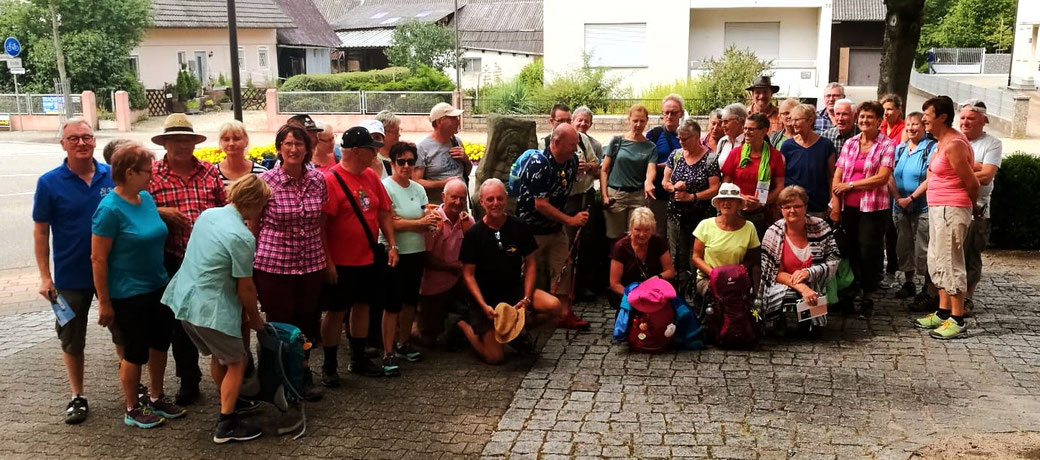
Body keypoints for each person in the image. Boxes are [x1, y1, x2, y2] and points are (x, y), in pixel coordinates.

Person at [162, 175, 270, 443]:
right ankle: (227, 424)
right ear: (254, 202)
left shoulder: (209, 215)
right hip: (211, 309)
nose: (263, 211)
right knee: (236, 361)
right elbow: (245, 287)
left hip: (186, 301)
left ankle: (229, 403)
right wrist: (256, 320)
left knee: (220, 356)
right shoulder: (242, 237)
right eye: (263, 205)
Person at [92, 143, 184, 429]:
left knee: (160, 344)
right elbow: (98, 258)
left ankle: (156, 397)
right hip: (128, 293)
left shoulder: (144, 198)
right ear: (130, 172)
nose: (152, 176)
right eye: (147, 171)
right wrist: (105, 302)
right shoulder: (108, 210)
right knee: (134, 352)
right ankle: (132, 407)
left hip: (158, 284)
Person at [33, 118, 116, 424]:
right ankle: (77, 396)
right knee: (71, 337)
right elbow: (41, 232)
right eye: (74, 139)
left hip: (111, 272)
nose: (81, 143)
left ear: (94, 141)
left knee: (122, 332)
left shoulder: (112, 176)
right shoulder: (49, 183)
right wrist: (45, 276)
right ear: (63, 144)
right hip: (69, 277)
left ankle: (133, 390)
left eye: (87, 137)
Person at [149, 114, 226, 406]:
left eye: (186, 140)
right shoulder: (153, 174)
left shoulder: (208, 172)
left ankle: (226, 373)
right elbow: (136, 209)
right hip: (172, 257)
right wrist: (161, 212)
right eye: (175, 140)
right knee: (179, 322)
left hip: (208, 258)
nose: (181, 145)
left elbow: (225, 208)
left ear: (194, 143)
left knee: (212, 316)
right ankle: (188, 379)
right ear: (165, 143)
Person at [253, 124, 327, 398]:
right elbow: (254, 225)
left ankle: (301, 375)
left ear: (308, 149)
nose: (294, 149)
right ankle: (274, 380)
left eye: (299, 144)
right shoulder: (266, 182)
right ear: (279, 148)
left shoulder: (318, 180)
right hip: (274, 266)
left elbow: (321, 221)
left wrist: (326, 260)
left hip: (310, 264)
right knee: (278, 325)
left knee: (307, 323)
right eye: (288, 144)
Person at [320, 126, 396, 384]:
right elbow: (320, 226)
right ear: (354, 151)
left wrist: (392, 243)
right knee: (336, 311)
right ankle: (329, 365)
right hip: (341, 261)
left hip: (367, 257)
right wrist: (328, 261)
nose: (375, 154)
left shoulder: (371, 177)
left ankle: (358, 358)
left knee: (362, 307)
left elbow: (384, 210)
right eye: (370, 149)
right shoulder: (331, 180)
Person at [457, 179, 562, 364]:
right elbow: (468, 275)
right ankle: (463, 325)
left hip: (514, 290)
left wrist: (527, 298)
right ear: (481, 202)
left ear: (506, 199)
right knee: (495, 358)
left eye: (499, 198)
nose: (495, 203)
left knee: (554, 306)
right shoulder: (473, 234)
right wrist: (483, 305)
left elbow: (530, 264)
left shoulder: (519, 226)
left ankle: (514, 331)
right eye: (490, 199)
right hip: (485, 299)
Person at [913, 96, 980, 340]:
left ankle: (958, 319)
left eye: (927, 116)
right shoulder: (940, 142)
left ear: (942, 117)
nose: (923, 120)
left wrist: (968, 208)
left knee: (951, 262)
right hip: (938, 207)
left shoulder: (954, 144)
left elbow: (972, 182)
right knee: (938, 260)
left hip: (952, 209)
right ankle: (942, 312)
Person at [516, 123, 590, 331]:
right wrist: (570, 220)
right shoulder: (538, 164)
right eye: (571, 145)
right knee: (527, 272)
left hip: (555, 229)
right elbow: (540, 204)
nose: (575, 150)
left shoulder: (571, 160)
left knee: (564, 268)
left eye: (577, 145)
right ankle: (522, 312)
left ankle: (563, 313)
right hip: (532, 230)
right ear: (556, 142)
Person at [829, 100, 897, 317]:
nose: (865, 121)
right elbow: (838, 175)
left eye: (870, 117)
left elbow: (882, 178)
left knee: (869, 252)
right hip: (848, 207)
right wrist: (836, 204)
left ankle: (868, 295)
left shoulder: (887, 145)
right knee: (846, 251)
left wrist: (851, 185)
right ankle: (848, 294)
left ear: (879, 120)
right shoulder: (850, 143)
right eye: (862, 117)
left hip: (874, 209)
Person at [378, 141, 435, 375]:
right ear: (392, 164)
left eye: (410, 162)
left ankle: (403, 343)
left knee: (411, 300)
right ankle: (387, 351)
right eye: (401, 161)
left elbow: (425, 214)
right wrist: (420, 223)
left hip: (416, 251)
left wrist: (430, 222)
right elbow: (388, 222)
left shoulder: (417, 188)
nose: (406, 166)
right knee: (392, 303)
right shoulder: (385, 187)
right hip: (393, 252)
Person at [757, 186, 838, 326]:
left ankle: (807, 322)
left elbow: (833, 261)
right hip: (782, 284)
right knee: (790, 294)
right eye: (787, 207)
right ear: (780, 209)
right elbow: (773, 273)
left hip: (815, 283)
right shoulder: (773, 233)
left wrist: (809, 272)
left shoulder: (821, 227)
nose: (792, 211)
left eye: (797, 206)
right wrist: (802, 288)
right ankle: (778, 319)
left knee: (812, 332)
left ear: (805, 207)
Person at [661, 118, 720, 281]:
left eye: (685, 138)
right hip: (676, 217)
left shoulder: (710, 158)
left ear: (696, 137)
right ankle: (676, 293)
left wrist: (691, 197)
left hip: (701, 218)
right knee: (676, 256)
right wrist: (673, 188)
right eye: (679, 138)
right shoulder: (676, 155)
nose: (681, 141)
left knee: (697, 256)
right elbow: (664, 181)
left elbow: (715, 189)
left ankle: (697, 292)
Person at [417, 179, 474, 346]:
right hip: (432, 288)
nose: (458, 202)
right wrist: (452, 267)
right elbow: (424, 258)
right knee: (428, 340)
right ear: (444, 196)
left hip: (457, 284)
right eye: (454, 197)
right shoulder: (433, 221)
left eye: (462, 198)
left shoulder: (467, 221)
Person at [959, 99, 1002, 312]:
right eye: (963, 118)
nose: (965, 122)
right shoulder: (954, 140)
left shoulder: (992, 144)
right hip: (953, 206)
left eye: (971, 118)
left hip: (978, 210)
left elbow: (986, 176)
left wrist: (962, 168)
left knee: (971, 254)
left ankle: (967, 297)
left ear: (983, 121)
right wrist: (974, 166)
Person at [888, 112, 936, 300]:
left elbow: (931, 178)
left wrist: (911, 199)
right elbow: (890, 175)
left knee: (923, 247)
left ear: (924, 127)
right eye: (908, 125)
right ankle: (908, 283)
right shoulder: (899, 149)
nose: (910, 128)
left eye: (915, 124)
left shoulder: (931, 148)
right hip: (899, 206)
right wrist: (899, 198)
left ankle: (927, 287)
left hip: (922, 207)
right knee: (904, 246)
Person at [720, 113, 786, 240]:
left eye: (751, 129)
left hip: (763, 214)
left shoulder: (775, 156)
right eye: (745, 128)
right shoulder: (736, 153)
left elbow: (780, 186)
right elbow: (725, 183)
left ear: (764, 131)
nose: (746, 132)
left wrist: (761, 202)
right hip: (737, 211)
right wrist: (741, 198)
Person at [691, 183, 762, 296]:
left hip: (737, 278)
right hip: (707, 278)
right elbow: (696, 257)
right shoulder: (705, 225)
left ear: (739, 204)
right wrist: (714, 274)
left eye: (731, 200)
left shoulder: (749, 227)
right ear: (717, 204)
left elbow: (753, 259)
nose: (726, 203)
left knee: (733, 293)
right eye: (723, 199)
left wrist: (738, 271)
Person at [600, 104, 657, 240]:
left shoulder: (650, 147)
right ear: (629, 119)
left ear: (646, 121)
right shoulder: (617, 141)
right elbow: (604, 170)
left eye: (642, 121)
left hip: (638, 196)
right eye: (635, 120)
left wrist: (649, 182)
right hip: (616, 196)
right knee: (615, 237)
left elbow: (651, 169)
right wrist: (604, 196)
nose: (638, 124)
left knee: (636, 235)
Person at [608, 207, 675, 308]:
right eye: (637, 230)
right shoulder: (620, 247)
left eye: (647, 230)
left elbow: (670, 271)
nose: (642, 235)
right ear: (631, 228)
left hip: (655, 293)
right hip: (628, 294)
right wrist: (634, 296)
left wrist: (657, 277)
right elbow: (614, 283)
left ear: (652, 229)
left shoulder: (658, 242)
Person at [781, 104, 837, 218]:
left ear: (810, 121)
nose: (793, 123)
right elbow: (781, 176)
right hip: (792, 205)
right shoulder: (787, 146)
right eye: (792, 120)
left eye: (797, 120)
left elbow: (832, 176)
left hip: (817, 205)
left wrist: (832, 202)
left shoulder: (826, 145)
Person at [414, 102, 470, 204]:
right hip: (437, 209)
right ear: (439, 121)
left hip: (460, 207)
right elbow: (416, 181)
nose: (458, 122)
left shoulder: (457, 141)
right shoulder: (422, 148)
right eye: (453, 118)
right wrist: (443, 183)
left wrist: (466, 159)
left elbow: (467, 173)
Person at [645, 94, 685, 235]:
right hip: (658, 192)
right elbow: (644, 160)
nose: (669, 116)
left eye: (673, 112)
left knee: (679, 233)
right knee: (657, 232)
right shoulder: (654, 134)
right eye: (666, 112)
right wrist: (665, 166)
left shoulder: (688, 134)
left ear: (680, 113)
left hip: (681, 192)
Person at [216, 120, 266, 186]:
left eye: (236, 139)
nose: (231, 143)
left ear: (246, 141)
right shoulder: (213, 174)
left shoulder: (261, 173)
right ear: (221, 143)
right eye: (226, 139)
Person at [373, 111, 402, 177]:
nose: (399, 135)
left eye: (399, 131)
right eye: (395, 132)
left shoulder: (402, 155)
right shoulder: (372, 159)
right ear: (382, 132)